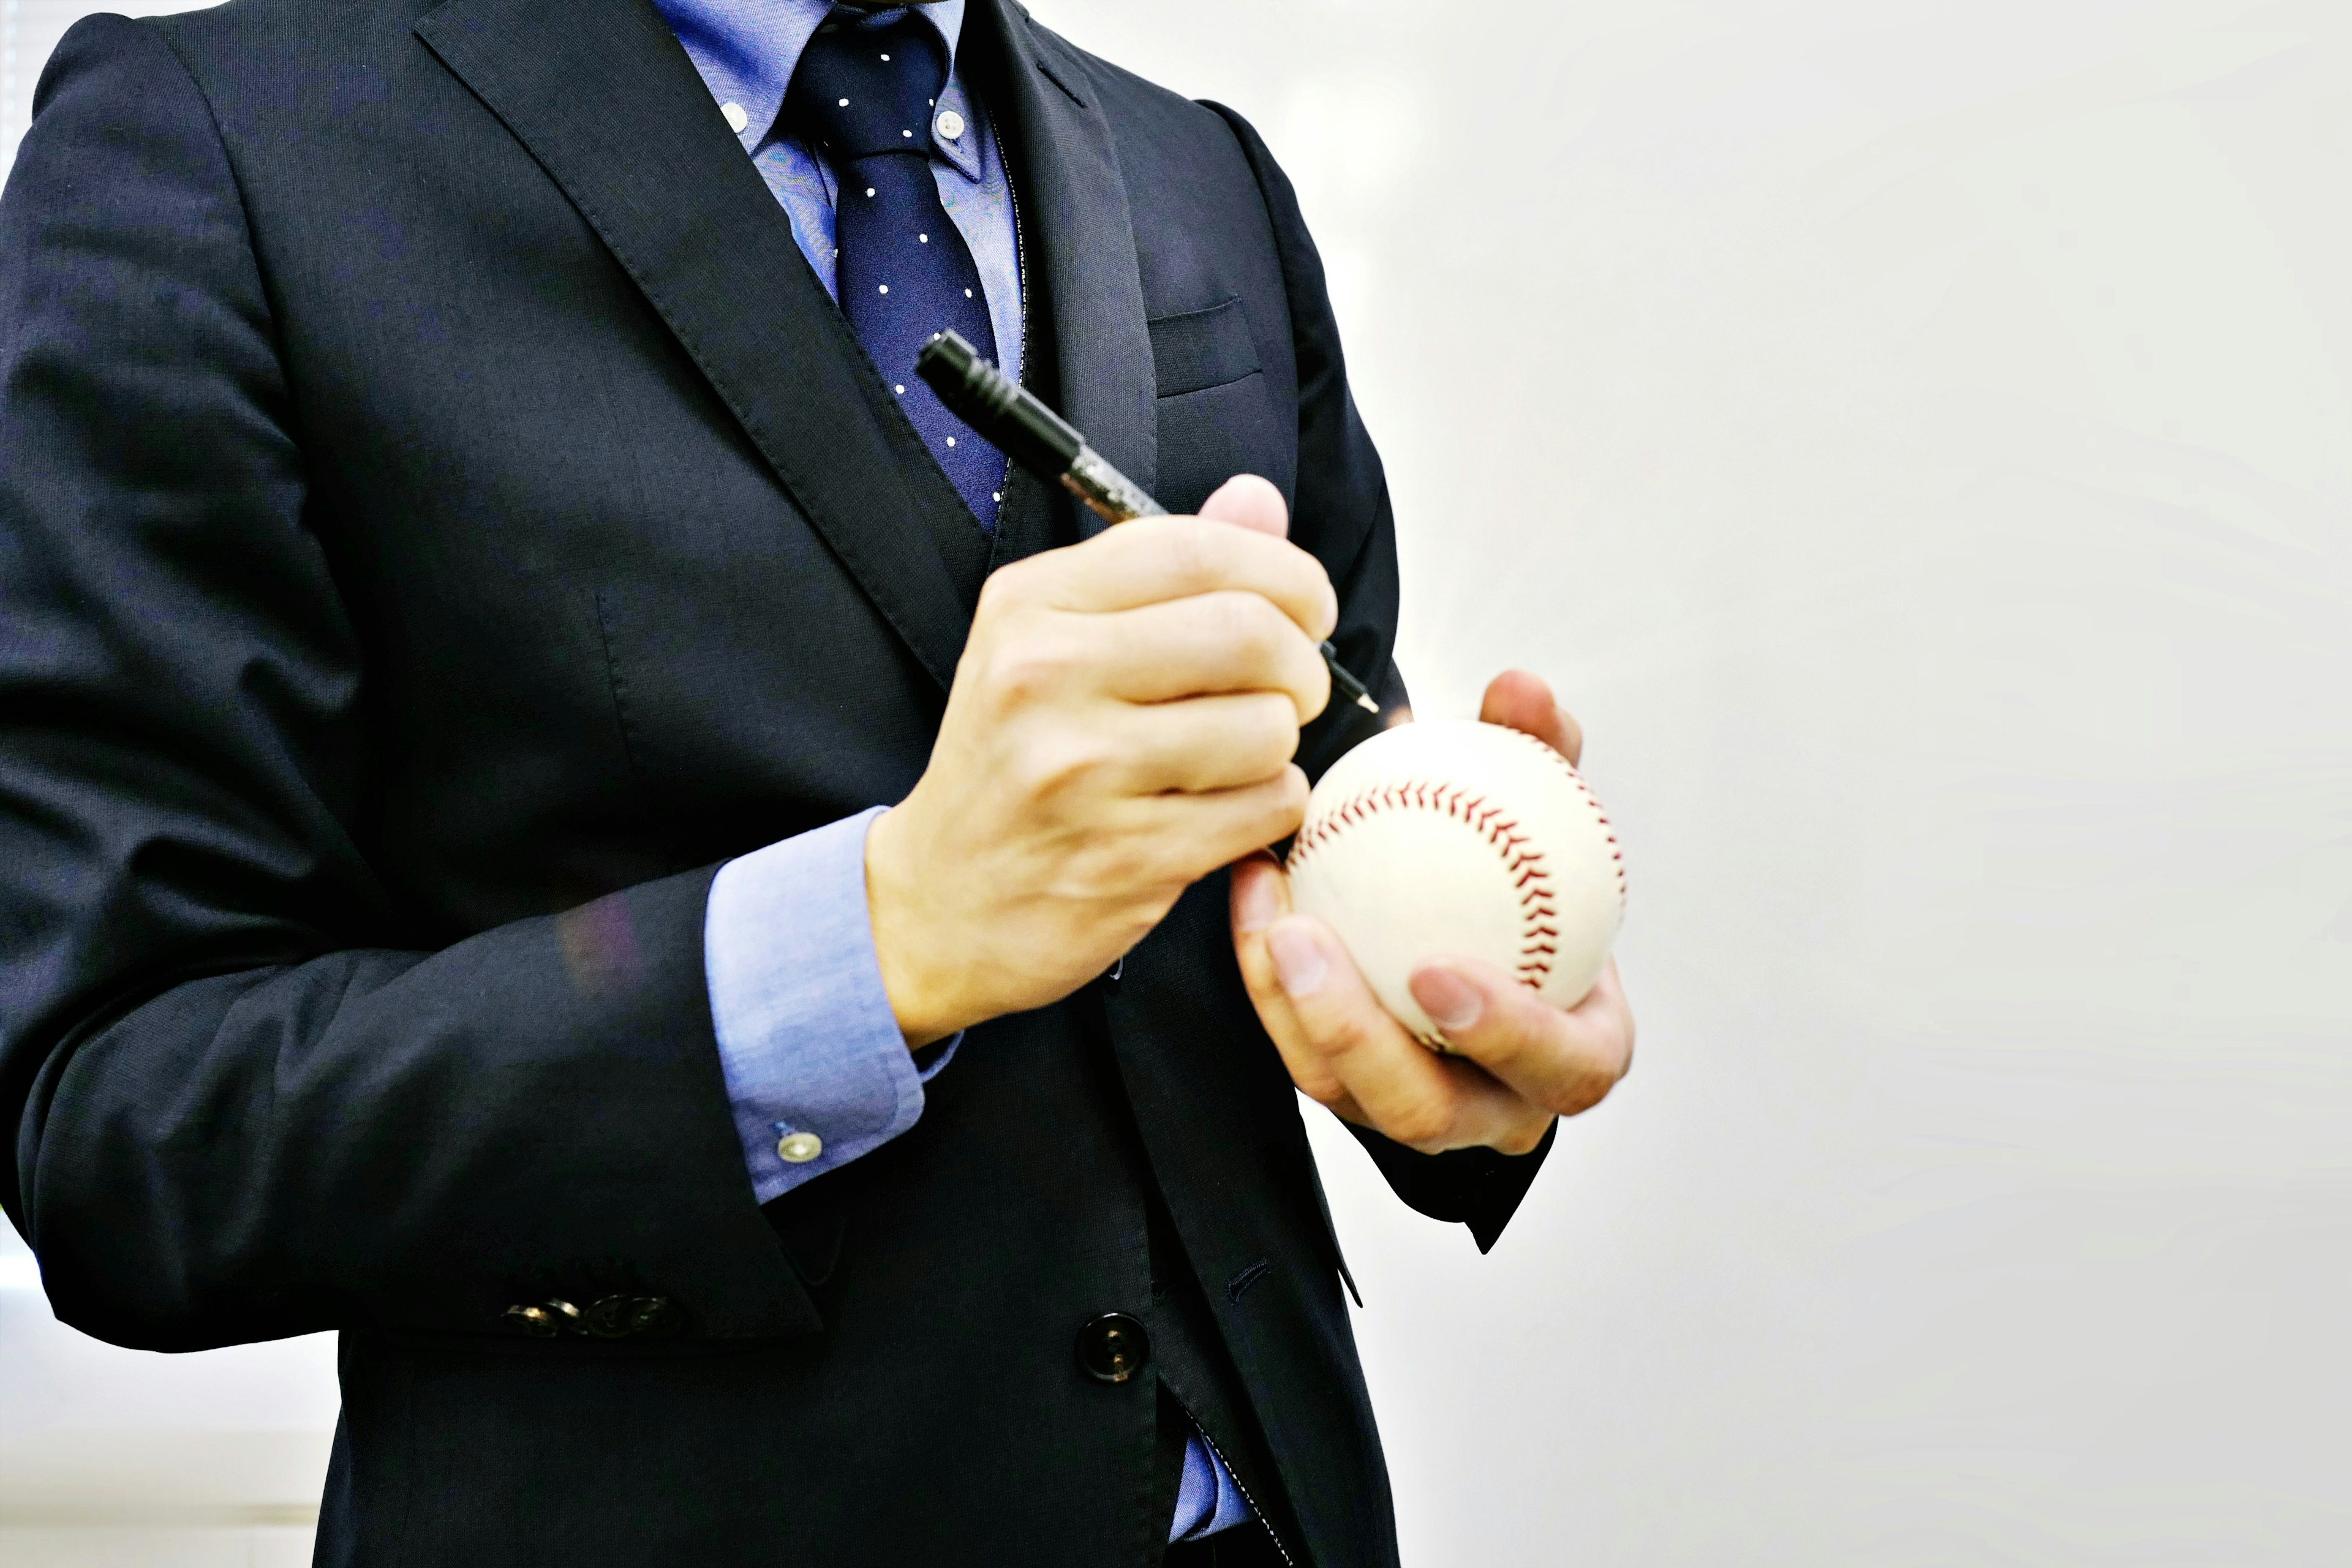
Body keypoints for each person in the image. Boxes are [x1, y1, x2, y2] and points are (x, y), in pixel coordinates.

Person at [0, 0, 1635, 1561]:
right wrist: (873, 942)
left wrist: (1457, 1015)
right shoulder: (220, 140)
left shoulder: (1199, 169)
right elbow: (128, 1118)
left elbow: (1321, 799)